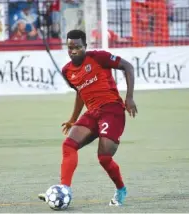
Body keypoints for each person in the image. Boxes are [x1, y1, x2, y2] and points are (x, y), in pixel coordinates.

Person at [38, 30, 138, 206]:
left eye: (77, 47)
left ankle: (121, 189)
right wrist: (72, 119)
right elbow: (80, 93)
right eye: (70, 48)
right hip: (92, 113)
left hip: (111, 110)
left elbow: (128, 67)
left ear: (85, 46)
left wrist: (129, 97)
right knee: (68, 145)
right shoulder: (67, 71)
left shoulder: (99, 57)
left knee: (104, 157)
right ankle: (64, 189)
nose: (74, 51)